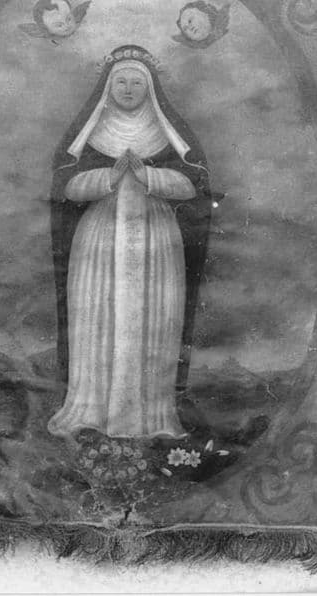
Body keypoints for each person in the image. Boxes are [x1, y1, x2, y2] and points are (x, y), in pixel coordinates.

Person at [48, 45, 211, 438]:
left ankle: (152, 417)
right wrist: (107, 177)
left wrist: (149, 176)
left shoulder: (168, 135)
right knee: (95, 316)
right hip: (100, 238)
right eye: (120, 81)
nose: (127, 89)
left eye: (137, 82)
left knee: (157, 320)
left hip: (157, 238)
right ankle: (90, 411)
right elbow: (66, 187)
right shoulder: (91, 133)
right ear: (108, 87)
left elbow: (194, 186)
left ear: (150, 89)